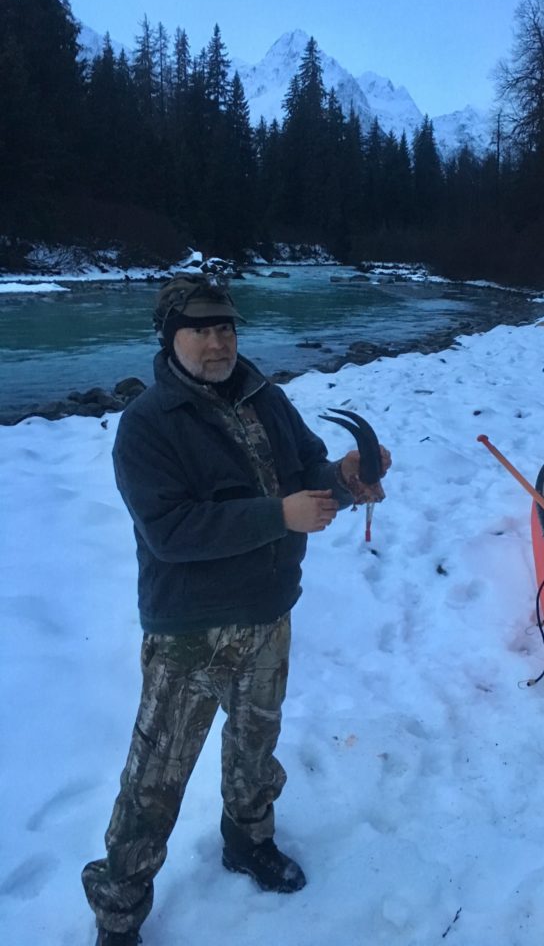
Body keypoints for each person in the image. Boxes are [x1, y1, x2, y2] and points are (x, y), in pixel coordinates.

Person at [82, 274, 389, 946]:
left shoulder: (265, 397)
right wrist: (280, 514)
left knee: (256, 745)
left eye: (227, 328)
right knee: (154, 781)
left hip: (269, 610)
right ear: (171, 339)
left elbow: (308, 467)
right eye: (202, 330)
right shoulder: (148, 425)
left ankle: (248, 840)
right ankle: (119, 911)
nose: (219, 341)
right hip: (190, 628)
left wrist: (345, 479)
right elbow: (172, 530)